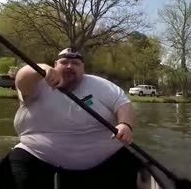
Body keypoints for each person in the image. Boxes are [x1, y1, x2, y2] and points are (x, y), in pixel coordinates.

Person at [8, 47, 140, 189]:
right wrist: (41, 68)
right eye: (64, 62)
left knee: (128, 162)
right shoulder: (37, 81)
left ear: (83, 68)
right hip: (37, 156)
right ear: (55, 65)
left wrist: (125, 125)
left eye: (76, 63)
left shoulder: (103, 86)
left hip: (105, 159)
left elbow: (123, 104)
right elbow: (21, 79)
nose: (69, 66)